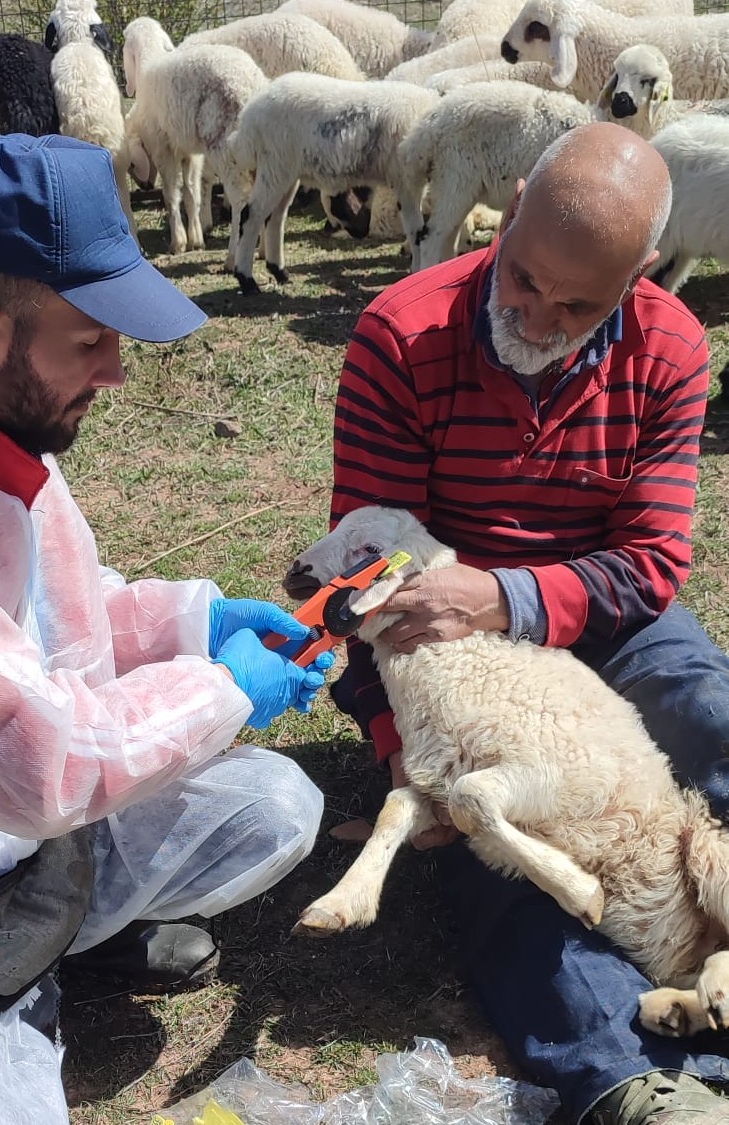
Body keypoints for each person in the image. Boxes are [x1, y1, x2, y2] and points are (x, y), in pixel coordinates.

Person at [0, 132, 334, 1124]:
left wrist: (193, 624)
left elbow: (53, 614)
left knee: (270, 806)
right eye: (91, 340)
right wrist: (221, 689)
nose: (116, 372)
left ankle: (57, 944)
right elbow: (37, 763)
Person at [328, 121, 729, 1125]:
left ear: (643, 271)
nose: (539, 317)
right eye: (523, 279)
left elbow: (650, 561)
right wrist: (402, 745)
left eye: (579, 304)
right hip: (452, 649)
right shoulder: (401, 334)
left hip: (604, 617)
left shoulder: (671, 346)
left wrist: (506, 595)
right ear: (508, 213)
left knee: (708, 713)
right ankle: (642, 1077)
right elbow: (371, 571)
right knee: (498, 845)